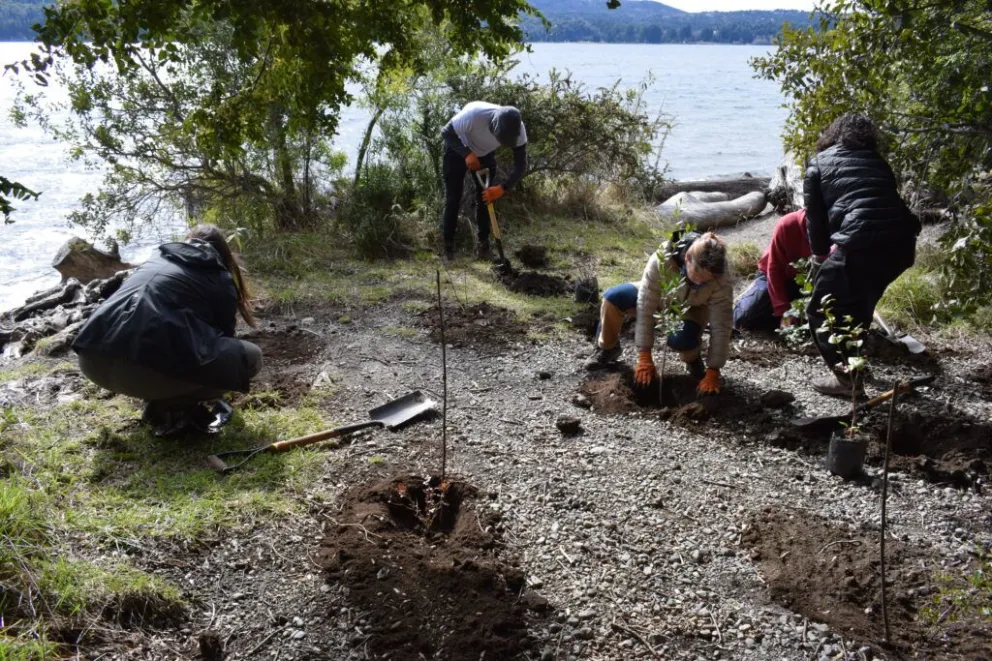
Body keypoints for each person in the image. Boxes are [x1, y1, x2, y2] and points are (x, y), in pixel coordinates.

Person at [73, 224, 262, 432]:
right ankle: (170, 403)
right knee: (251, 358)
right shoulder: (217, 276)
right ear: (222, 253)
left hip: (91, 362)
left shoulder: (154, 260)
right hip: (139, 373)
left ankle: (158, 396)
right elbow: (223, 341)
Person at [804, 112, 921, 397]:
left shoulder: (817, 164)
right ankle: (855, 365)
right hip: (902, 244)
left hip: (861, 244)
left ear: (833, 134)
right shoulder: (877, 161)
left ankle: (847, 381)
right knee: (860, 305)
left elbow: (815, 222)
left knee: (822, 309)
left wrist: (820, 259)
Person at [584, 230, 733, 395]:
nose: (701, 282)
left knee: (680, 339)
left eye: (707, 281)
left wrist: (714, 369)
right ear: (687, 259)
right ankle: (607, 348)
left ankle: (692, 358)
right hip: (660, 296)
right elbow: (646, 306)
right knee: (613, 298)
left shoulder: (721, 276)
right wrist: (644, 356)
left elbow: (721, 325)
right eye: (698, 277)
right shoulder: (663, 258)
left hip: (693, 307)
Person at [440, 101, 528, 262]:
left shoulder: (518, 130)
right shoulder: (475, 115)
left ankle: (483, 247)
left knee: (485, 199)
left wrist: (503, 188)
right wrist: (467, 154)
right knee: (453, 198)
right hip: (458, 148)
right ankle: (448, 249)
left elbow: (521, 165)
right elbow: (446, 132)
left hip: (485, 154)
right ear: (494, 125)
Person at [733, 208, 812, 331]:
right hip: (772, 277)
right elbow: (774, 270)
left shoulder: (834, 227)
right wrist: (783, 311)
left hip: (807, 284)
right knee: (742, 319)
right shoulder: (788, 224)